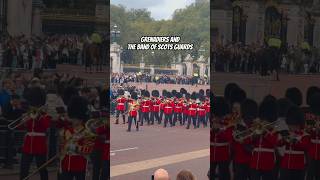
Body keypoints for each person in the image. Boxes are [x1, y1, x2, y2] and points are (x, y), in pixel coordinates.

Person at [19, 87, 50, 180]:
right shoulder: (29, 114)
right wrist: (23, 120)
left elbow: (45, 126)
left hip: (39, 144)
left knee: (42, 168)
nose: (32, 107)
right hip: (28, 144)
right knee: (24, 168)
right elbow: (20, 127)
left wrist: (39, 116)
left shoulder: (45, 115)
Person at [279, 105, 310, 180]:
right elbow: (279, 144)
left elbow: (304, 146)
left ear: (298, 124)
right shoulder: (287, 133)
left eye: (292, 125)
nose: (290, 127)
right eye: (289, 125)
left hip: (298, 166)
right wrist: (283, 139)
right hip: (285, 166)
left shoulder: (304, 135)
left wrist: (295, 139)